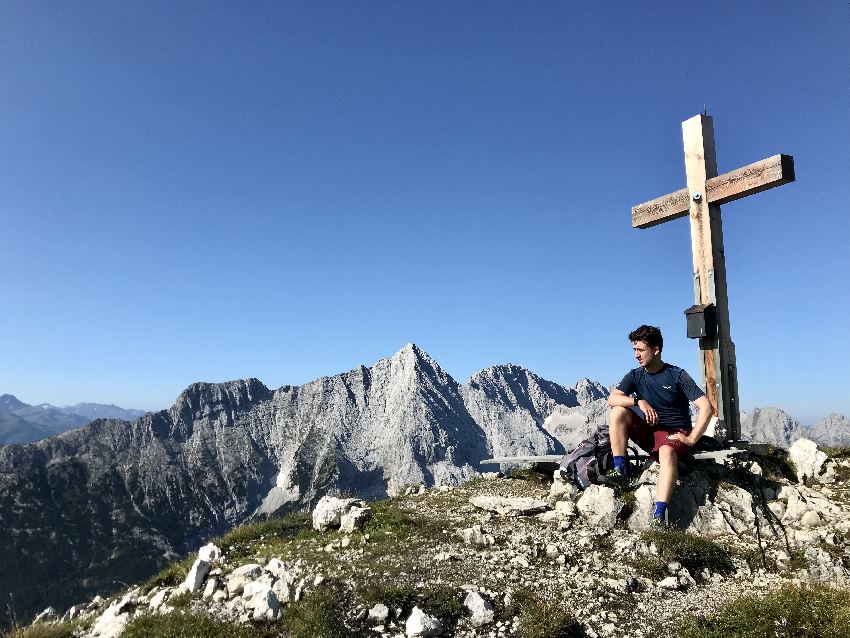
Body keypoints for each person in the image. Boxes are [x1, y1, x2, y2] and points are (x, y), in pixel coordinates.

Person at [605, 325, 714, 527]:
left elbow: (706, 407)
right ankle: (620, 468)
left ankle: (659, 514)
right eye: (634, 350)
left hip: (675, 434)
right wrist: (638, 402)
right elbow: (612, 398)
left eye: (641, 350)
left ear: (656, 350)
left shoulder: (677, 375)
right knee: (619, 410)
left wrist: (691, 439)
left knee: (665, 452)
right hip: (650, 433)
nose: (636, 355)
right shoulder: (635, 375)